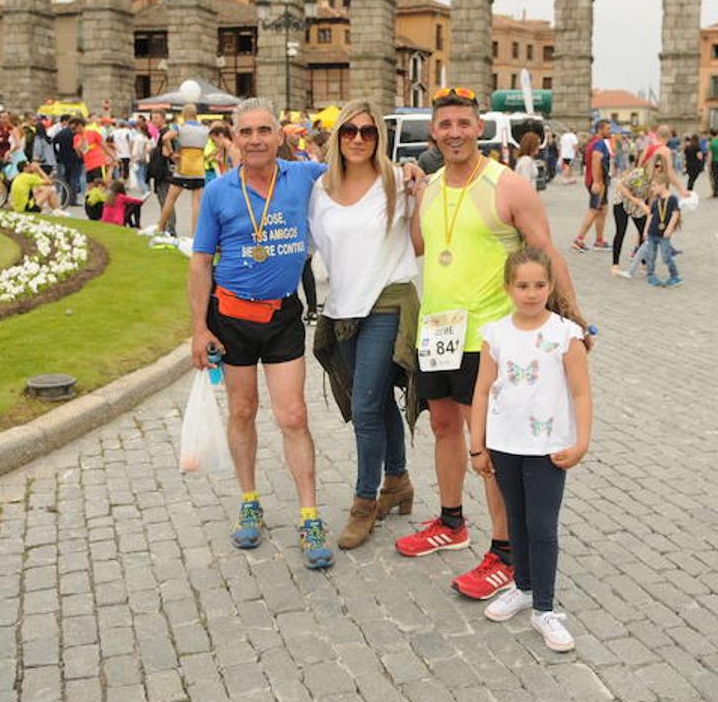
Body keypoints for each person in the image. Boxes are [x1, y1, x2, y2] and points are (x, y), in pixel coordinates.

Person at [398, 86, 589, 601]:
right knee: (442, 427)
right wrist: (409, 189)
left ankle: (505, 552)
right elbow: (419, 245)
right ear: (433, 131)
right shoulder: (429, 186)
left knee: (488, 443)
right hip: (438, 332)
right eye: (445, 124)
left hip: (490, 338)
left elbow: (546, 253)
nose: (455, 132)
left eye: (464, 123)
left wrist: (573, 320)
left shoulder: (508, 186)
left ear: (479, 128)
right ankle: (451, 522)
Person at [188, 97, 335, 570]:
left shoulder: (303, 176)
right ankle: (249, 501)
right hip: (230, 317)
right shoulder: (218, 192)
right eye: (246, 132)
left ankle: (309, 516)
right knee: (243, 410)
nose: (255, 140)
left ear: (279, 136)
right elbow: (200, 262)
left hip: (282, 316)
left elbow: (359, 170)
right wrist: (198, 328)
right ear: (234, 139)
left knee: (293, 415)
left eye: (264, 130)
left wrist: (410, 173)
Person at [308, 101, 420, 550]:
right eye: (350, 131)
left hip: (387, 304)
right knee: (374, 399)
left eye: (368, 132)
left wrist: (422, 191)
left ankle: (363, 503)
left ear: (379, 138)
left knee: (366, 407)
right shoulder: (321, 189)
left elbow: (421, 242)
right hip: (343, 310)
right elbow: (315, 246)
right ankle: (398, 480)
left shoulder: (398, 181)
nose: (358, 139)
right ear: (337, 136)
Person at [469, 248, 592, 652]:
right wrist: (477, 445)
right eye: (523, 285)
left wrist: (581, 441)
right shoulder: (495, 334)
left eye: (540, 285)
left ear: (551, 286)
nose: (531, 293)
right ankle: (522, 587)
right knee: (516, 520)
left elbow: (581, 392)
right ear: (508, 288)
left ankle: (544, 608)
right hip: (505, 443)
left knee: (541, 526)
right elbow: (482, 390)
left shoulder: (566, 335)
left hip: (547, 447)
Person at [157, 104, 209, 236]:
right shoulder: (205, 129)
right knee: (196, 202)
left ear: (184, 114)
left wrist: (171, 153)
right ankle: (194, 234)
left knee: (170, 198)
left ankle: (160, 227)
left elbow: (165, 137)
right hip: (198, 167)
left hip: (183, 166)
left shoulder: (180, 127)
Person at [571, 121, 613, 253]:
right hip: (598, 182)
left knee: (602, 210)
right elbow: (596, 160)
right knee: (594, 210)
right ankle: (578, 240)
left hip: (598, 181)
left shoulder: (594, 142)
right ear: (600, 129)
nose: (610, 131)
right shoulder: (599, 143)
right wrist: (597, 181)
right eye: (608, 129)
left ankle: (599, 240)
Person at [643, 178, 682, 287]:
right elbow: (650, 216)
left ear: (663, 185)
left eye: (654, 186)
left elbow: (675, 214)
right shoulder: (656, 201)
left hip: (663, 234)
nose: (652, 189)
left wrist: (669, 228)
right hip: (652, 233)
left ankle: (675, 276)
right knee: (650, 256)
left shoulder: (672, 199)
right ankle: (651, 275)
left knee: (666, 256)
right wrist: (645, 230)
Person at [52, 117, 81, 205]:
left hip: (63, 158)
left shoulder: (61, 133)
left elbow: (54, 142)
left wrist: (57, 154)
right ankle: (73, 200)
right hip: (75, 158)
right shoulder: (75, 134)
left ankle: (64, 199)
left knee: (65, 179)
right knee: (74, 179)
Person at [707, 130, 718, 198]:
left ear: (711, 134)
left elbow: (710, 154)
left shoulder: (711, 143)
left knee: (715, 178)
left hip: (714, 161)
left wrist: (709, 163)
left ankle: (716, 192)